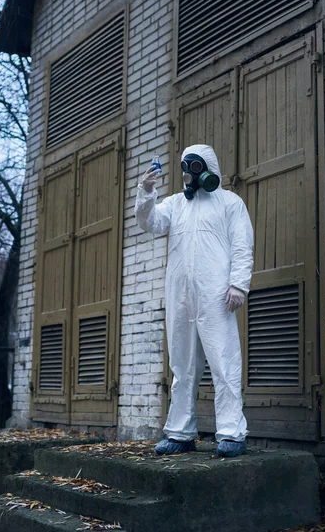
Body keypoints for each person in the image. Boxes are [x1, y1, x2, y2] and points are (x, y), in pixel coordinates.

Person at [134, 144, 254, 458]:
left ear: (208, 167)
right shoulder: (175, 204)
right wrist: (146, 191)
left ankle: (231, 433)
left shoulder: (229, 202)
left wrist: (238, 284)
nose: (189, 172)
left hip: (216, 294)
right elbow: (150, 224)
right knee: (182, 365)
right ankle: (180, 432)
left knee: (223, 361)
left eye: (195, 166)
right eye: (186, 166)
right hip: (180, 294)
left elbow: (243, 245)